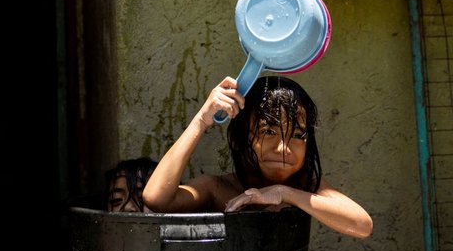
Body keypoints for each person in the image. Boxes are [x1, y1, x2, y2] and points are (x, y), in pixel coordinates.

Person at [143, 76, 373, 238]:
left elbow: (361, 225)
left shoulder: (303, 185)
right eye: (269, 132)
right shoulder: (216, 188)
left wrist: (285, 194)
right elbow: (155, 199)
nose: (283, 148)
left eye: (297, 135)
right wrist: (202, 120)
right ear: (237, 140)